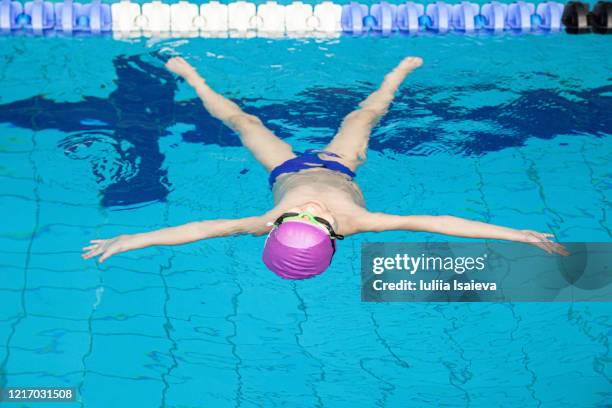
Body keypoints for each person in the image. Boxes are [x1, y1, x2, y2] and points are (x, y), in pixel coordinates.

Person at [82, 56, 568, 279]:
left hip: (284, 168)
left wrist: (132, 239)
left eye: (296, 218)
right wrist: (517, 235)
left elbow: (198, 229)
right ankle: (394, 77)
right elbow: (440, 223)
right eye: (315, 220)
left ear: (276, 227)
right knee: (362, 116)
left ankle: (193, 76)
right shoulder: (358, 220)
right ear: (334, 235)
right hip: (340, 165)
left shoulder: (264, 221)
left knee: (242, 119)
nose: (309, 209)